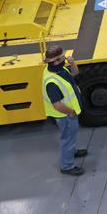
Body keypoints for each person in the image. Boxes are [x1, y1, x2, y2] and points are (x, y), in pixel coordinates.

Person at [42, 46, 89, 176]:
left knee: (71, 137)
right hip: (65, 116)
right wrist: (71, 112)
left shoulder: (58, 69)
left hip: (69, 113)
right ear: (55, 61)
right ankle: (67, 166)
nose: (65, 58)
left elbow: (74, 74)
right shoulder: (51, 82)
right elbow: (57, 105)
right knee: (68, 139)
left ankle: (73, 152)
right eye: (62, 57)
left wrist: (72, 64)